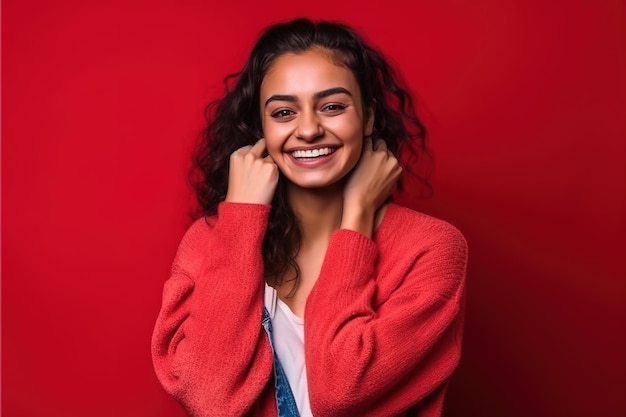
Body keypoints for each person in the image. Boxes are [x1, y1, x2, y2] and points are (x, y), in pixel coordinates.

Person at [151, 18, 468, 417]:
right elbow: (209, 400)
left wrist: (357, 217)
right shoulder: (210, 240)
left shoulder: (431, 247)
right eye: (283, 112)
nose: (308, 130)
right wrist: (242, 218)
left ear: (368, 117)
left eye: (332, 107)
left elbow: (341, 391)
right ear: (260, 127)